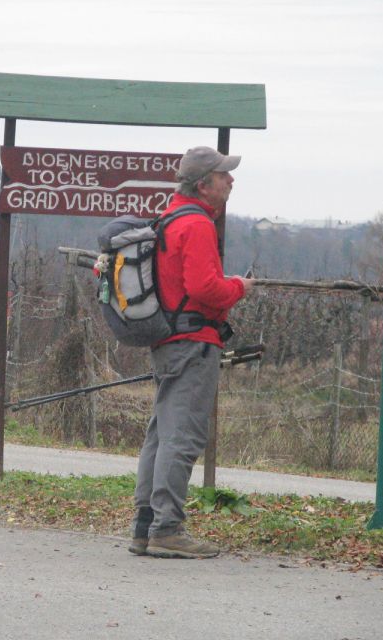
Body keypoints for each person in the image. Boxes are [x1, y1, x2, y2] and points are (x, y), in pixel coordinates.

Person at [129, 146, 255, 559]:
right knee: (182, 436)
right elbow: (205, 289)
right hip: (193, 343)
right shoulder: (197, 225)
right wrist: (239, 287)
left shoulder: (169, 219)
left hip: (167, 340)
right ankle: (167, 529)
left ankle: (144, 527)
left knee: (161, 434)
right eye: (224, 176)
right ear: (204, 184)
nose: (231, 181)